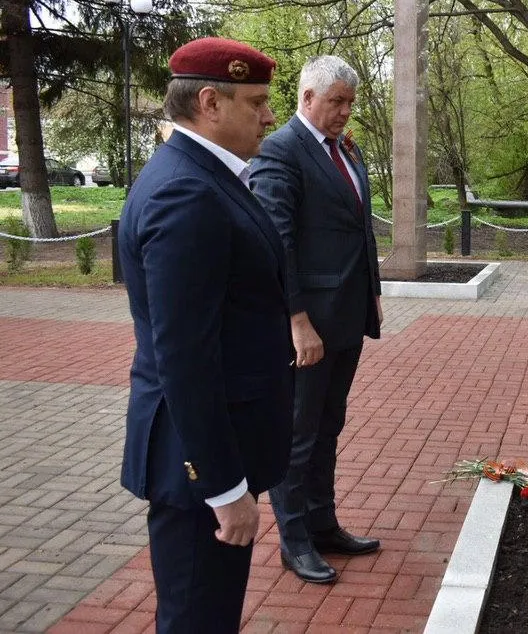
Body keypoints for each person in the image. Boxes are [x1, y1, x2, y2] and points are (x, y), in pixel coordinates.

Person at [117, 37, 291, 632]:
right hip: (199, 466)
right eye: (258, 102)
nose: (270, 115)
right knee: (197, 619)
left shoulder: (203, 175)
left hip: (215, 450)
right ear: (210, 103)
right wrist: (222, 488)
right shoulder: (186, 193)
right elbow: (184, 360)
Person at [250, 55, 383, 584]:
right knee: (298, 434)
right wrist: (296, 320)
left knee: (329, 425)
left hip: (347, 316)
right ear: (307, 99)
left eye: (350, 102)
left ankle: (324, 525)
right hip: (308, 325)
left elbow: (359, 228)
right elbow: (277, 241)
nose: (345, 112)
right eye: (336, 102)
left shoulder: (344, 149)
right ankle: (295, 539)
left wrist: (371, 292)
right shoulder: (281, 150)